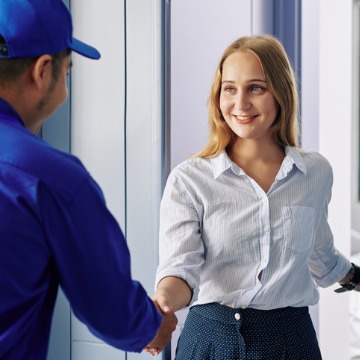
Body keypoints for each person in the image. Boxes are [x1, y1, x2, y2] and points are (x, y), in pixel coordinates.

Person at [145, 34, 360, 359]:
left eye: (256, 88)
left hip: (291, 342)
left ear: (280, 93)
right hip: (209, 343)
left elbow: (319, 255)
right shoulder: (189, 179)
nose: (240, 103)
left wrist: (356, 278)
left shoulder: (316, 173)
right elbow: (181, 268)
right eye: (229, 88)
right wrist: (163, 299)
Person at [0, 0, 177, 359]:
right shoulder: (50, 178)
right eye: (67, 71)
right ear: (42, 71)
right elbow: (112, 310)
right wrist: (154, 326)